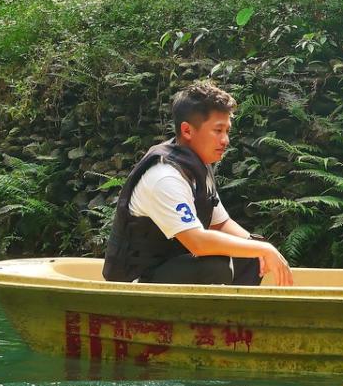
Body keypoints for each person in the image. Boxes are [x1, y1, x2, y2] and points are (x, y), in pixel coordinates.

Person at [103, 81, 294, 286]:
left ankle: (235, 316)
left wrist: (260, 248)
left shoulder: (197, 165)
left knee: (251, 255)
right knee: (215, 265)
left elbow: (220, 223)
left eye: (227, 131)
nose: (225, 140)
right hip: (136, 281)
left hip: (175, 267)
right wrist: (263, 250)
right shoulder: (165, 177)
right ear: (187, 131)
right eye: (218, 130)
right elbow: (198, 243)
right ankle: (211, 317)